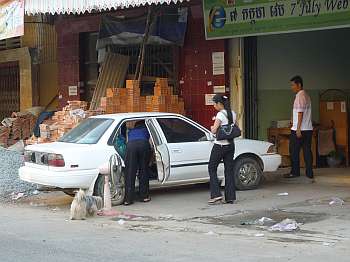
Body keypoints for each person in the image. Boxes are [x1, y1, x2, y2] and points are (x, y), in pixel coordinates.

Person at [208, 94, 237, 204]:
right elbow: (233, 127)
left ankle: (216, 195)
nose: (214, 106)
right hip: (231, 144)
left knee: (212, 167)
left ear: (219, 104)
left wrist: (212, 128)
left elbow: (214, 130)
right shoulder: (233, 113)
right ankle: (230, 197)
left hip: (220, 145)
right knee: (229, 170)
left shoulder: (220, 114)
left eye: (214, 104)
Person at [284, 75, 314, 181]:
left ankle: (295, 172)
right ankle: (309, 172)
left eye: (293, 85)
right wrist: (292, 120)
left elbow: (300, 113)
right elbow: (298, 112)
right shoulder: (306, 95)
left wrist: (297, 128)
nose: (292, 87)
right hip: (308, 129)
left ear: (299, 85)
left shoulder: (300, 96)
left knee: (294, 151)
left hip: (300, 129)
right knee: (307, 150)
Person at [124, 120, 151, 205]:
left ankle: (128, 199)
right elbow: (151, 143)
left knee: (130, 171)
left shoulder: (131, 131)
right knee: (144, 170)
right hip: (144, 144)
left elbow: (127, 142)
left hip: (131, 145)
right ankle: (144, 197)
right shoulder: (147, 130)